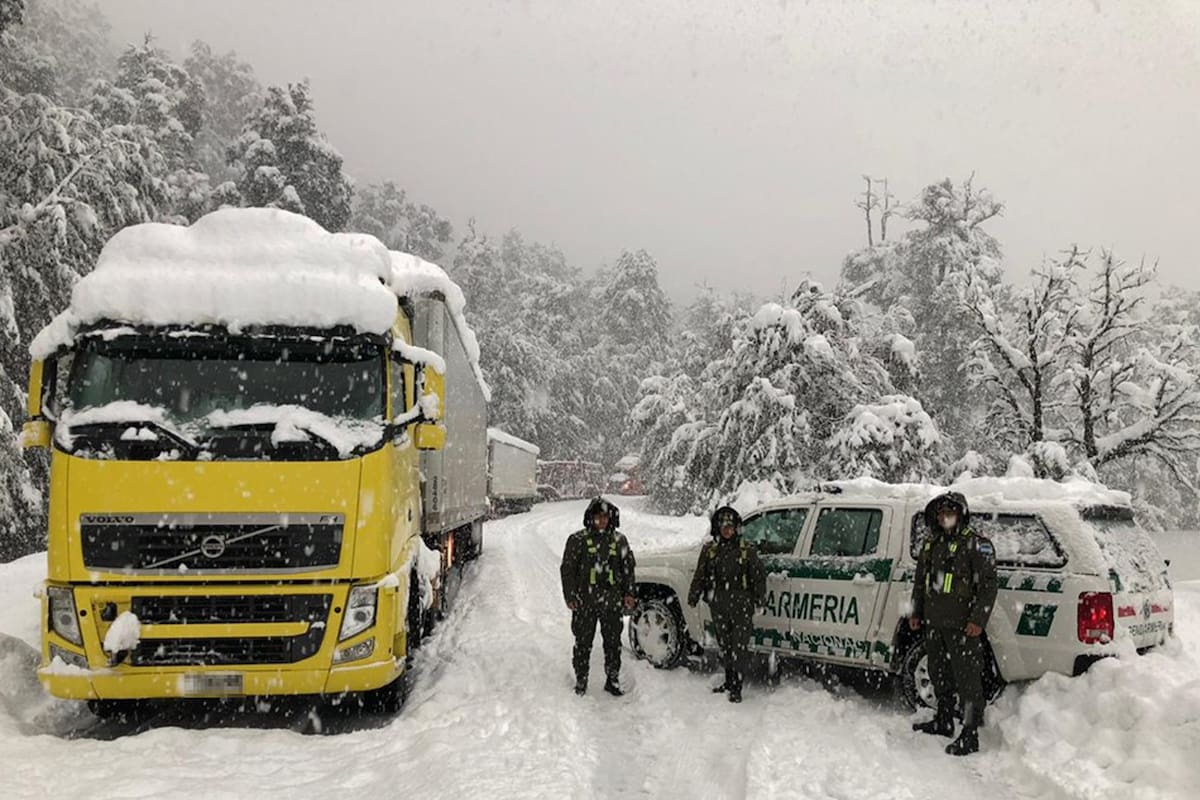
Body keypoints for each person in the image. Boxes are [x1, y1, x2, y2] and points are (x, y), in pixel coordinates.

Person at [908, 491, 999, 756]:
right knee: (939, 674)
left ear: (960, 515)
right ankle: (944, 719)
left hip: (963, 626)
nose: (944, 517)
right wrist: (915, 612)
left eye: (949, 512)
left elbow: (988, 586)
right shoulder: (931, 544)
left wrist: (977, 620)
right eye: (940, 513)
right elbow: (921, 582)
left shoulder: (976, 545)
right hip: (934, 623)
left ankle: (970, 734)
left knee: (968, 682)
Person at [686, 506, 767, 703]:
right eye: (723, 527)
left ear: (736, 528)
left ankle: (736, 688)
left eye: (730, 527)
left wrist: (760, 600)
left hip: (741, 607)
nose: (727, 531)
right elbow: (700, 574)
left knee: (739, 648)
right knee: (725, 646)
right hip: (719, 606)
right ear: (718, 528)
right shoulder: (710, 550)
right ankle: (729, 681)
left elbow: (758, 577)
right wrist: (694, 595)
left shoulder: (747, 550)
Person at [560, 497, 636, 696]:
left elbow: (628, 569)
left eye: (605, 517)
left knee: (613, 644)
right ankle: (581, 680)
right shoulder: (577, 540)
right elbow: (567, 570)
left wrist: (629, 593)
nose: (602, 521)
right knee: (583, 643)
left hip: (612, 601)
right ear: (591, 518)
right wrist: (570, 596)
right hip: (585, 601)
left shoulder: (619, 541)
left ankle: (612, 680)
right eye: (598, 517)